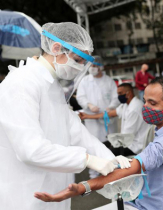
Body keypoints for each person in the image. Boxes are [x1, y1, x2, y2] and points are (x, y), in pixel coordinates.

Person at [0, 22, 131, 210]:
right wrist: (88, 160)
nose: (79, 68)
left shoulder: (51, 85)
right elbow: (31, 150)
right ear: (56, 48)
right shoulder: (22, 84)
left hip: (51, 190)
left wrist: (110, 158)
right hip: (24, 195)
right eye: (77, 60)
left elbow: (75, 130)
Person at [35, 77, 163, 210]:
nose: (145, 107)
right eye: (145, 101)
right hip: (140, 202)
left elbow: (133, 167)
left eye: (152, 103)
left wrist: (83, 187)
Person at [77, 55, 121, 178]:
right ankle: (94, 173)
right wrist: (89, 105)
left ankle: (110, 169)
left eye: (95, 66)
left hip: (107, 118)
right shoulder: (85, 81)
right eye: (91, 65)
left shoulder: (109, 81)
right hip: (91, 118)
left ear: (101, 67)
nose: (93, 68)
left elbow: (115, 97)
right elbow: (80, 97)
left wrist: (110, 107)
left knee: (109, 143)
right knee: (93, 144)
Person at [80, 83, 151, 156]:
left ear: (128, 93)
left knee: (105, 152)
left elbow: (126, 136)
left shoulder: (134, 109)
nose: (119, 96)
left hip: (135, 147)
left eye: (120, 93)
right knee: (101, 146)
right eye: (118, 94)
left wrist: (112, 140)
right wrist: (87, 116)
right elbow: (110, 114)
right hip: (127, 141)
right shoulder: (126, 105)